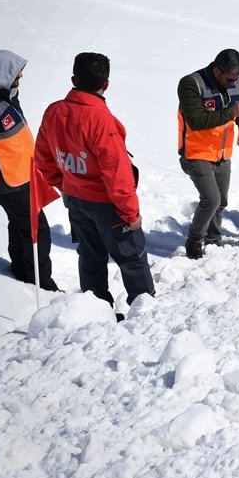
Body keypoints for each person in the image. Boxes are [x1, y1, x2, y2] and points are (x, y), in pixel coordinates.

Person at [35, 53, 153, 311]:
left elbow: (42, 158)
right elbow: (117, 173)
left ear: (74, 79)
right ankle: (144, 315)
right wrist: (130, 213)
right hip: (107, 204)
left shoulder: (54, 111)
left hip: (77, 200)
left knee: (90, 255)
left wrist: (66, 183)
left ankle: (96, 313)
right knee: (132, 258)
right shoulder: (101, 120)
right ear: (106, 83)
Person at [0, 49, 57, 290]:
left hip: (22, 175)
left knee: (20, 224)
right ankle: (41, 283)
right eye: (17, 73)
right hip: (9, 180)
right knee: (38, 230)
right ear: (3, 73)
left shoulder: (4, 96)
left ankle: (22, 271)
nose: (21, 77)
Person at [177, 48, 239, 259]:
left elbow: (238, 115)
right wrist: (231, 112)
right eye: (230, 78)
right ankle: (194, 240)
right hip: (197, 152)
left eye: (236, 78)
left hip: (222, 153)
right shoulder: (191, 84)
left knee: (221, 202)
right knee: (211, 199)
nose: (233, 83)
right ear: (217, 70)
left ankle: (213, 239)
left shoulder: (236, 84)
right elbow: (196, 121)